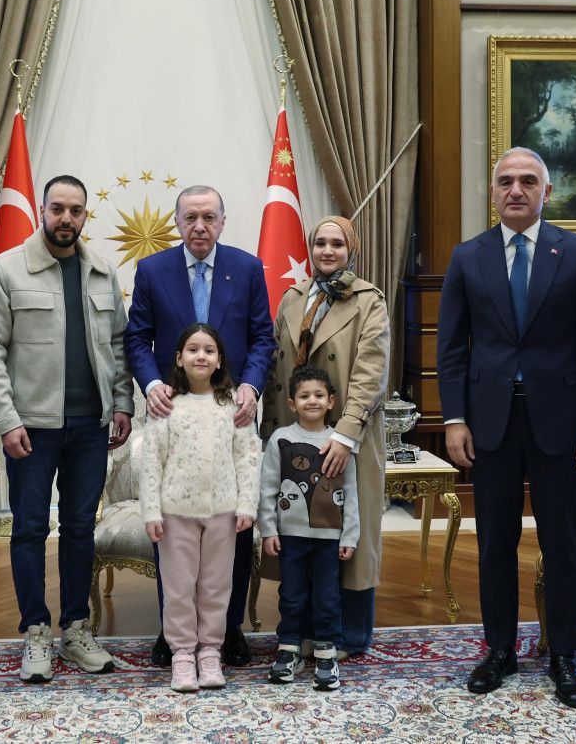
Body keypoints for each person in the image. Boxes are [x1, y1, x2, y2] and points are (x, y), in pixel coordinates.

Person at [437, 147, 576, 709]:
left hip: (561, 423)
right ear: (492, 192)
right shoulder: (468, 257)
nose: (515, 190)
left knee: (561, 542)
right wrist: (454, 419)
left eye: (528, 181)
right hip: (489, 423)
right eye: (505, 181)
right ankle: (500, 650)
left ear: (547, 192)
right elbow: (451, 349)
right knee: (495, 542)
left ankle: (563, 653)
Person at [0, 174, 134, 684]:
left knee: (81, 528)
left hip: (91, 426)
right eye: (58, 208)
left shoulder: (102, 272)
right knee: (29, 528)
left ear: (85, 215)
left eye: (76, 210)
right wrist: (6, 420)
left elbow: (120, 346)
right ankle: (35, 631)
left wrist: (123, 404)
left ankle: (76, 628)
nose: (66, 218)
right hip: (31, 429)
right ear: (43, 210)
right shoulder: (6, 270)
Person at [125, 184, 276, 667]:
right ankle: (173, 634)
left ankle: (228, 629)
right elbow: (136, 338)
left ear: (222, 222)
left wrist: (251, 386)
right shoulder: (153, 271)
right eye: (190, 217)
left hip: (234, 409)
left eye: (209, 217)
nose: (199, 226)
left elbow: (262, 337)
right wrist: (152, 384)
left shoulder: (247, 268)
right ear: (177, 222)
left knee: (232, 525)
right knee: (174, 535)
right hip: (173, 410)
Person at [260, 215, 390, 656]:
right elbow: (277, 371)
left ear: (351, 250)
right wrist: (270, 432)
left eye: (337, 243)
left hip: (346, 437)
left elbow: (370, 374)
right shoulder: (293, 298)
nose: (328, 251)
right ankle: (299, 632)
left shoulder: (368, 300)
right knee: (299, 530)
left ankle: (347, 634)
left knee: (346, 532)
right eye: (320, 243)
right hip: (294, 435)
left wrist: (346, 434)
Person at [139, 323, 261, 692]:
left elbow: (247, 458)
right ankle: (181, 654)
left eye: (209, 350)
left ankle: (210, 651)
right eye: (193, 349)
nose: (201, 356)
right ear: (179, 358)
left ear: (220, 359)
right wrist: (151, 511)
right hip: (176, 513)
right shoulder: (166, 406)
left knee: (216, 586)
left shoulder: (234, 406)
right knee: (178, 587)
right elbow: (152, 461)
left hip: (223, 513)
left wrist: (247, 504)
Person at [259, 365, 359, 691]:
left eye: (318, 395)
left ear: (331, 401)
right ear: (292, 403)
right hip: (290, 537)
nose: (312, 401)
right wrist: (269, 530)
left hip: (330, 537)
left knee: (327, 596)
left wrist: (350, 535)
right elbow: (268, 488)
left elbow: (351, 493)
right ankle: (289, 647)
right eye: (304, 396)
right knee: (291, 594)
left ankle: (326, 651)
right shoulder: (281, 439)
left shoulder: (340, 443)